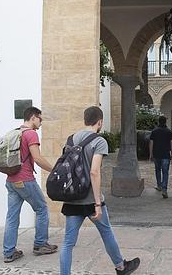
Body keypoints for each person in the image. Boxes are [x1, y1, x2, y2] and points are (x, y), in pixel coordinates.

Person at [60, 106, 140, 275]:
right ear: (100, 122)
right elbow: (94, 172)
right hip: (90, 199)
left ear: (84, 120)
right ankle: (121, 267)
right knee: (106, 232)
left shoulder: (70, 139)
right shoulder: (99, 141)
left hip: (73, 198)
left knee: (68, 243)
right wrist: (97, 203)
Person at [3, 107, 58, 263]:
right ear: (33, 117)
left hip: (11, 181)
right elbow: (38, 158)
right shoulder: (31, 134)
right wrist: (54, 170)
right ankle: (40, 245)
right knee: (41, 208)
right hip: (25, 180)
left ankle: (9, 252)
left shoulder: (15, 132)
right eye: (40, 118)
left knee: (12, 217)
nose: (41, 122)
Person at [149, 115, 172, 198]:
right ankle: (164, 188)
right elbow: (171, 143)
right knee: (165, 172)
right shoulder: (168, 131)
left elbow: (151, 143)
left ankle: (159, 185)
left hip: (156, 154)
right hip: (166, 154)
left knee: (158, 170)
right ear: (165, 122)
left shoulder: (154, 131)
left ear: (158, 121)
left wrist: (150, 154)